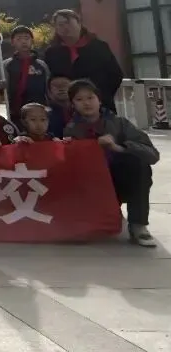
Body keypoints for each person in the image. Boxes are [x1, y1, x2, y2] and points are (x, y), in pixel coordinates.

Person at [64, 78, 158, 247]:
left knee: (139, 165)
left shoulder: (120, 124)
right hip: (91, 185)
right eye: (79, 99)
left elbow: (152, 155)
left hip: (119, 181)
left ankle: (138, 225)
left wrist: (119, 148)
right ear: (73, 104)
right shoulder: (69, 129)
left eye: (90, 97)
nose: (86, 103)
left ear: (99, 100)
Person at [45, 9, 124, 114]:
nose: (65, 27)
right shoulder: (52, 52)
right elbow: (50, 80)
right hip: (66, 108)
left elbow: (115, 75)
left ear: (79, 23)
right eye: (60, 25)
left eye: (68, 23)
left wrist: (98, 96)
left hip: (99, 104)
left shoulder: (98, 47)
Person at [3, 26, 51, 121]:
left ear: (32, 41)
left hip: (39, 110)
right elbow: (4, 88)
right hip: (16, 112)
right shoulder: (7, 64)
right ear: (12, 42)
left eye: (26, 38)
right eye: (19, 39)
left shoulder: (41, 65)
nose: (23, 42)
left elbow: (48, 88)